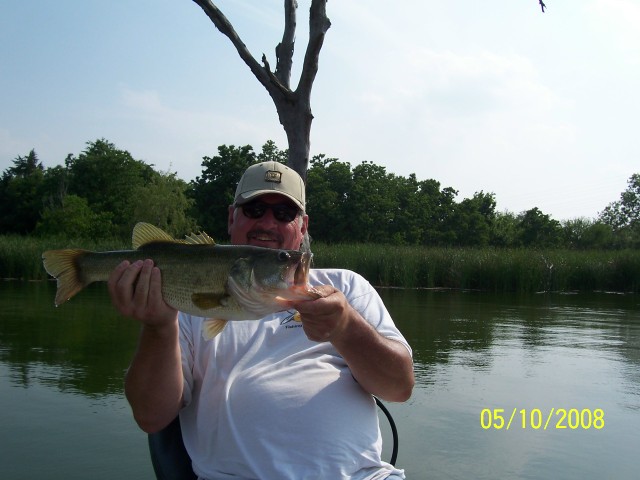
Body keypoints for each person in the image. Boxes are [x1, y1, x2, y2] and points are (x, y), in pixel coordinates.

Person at [108, 161, 415, 480]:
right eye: (254, 209)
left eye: (284, 213)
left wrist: (347, 328)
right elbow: (151, 417)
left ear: (303, 227)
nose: (268, 223)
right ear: (232, 218)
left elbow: (399, 387)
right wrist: (158, 328)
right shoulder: (184, 307)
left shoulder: (347, 287)